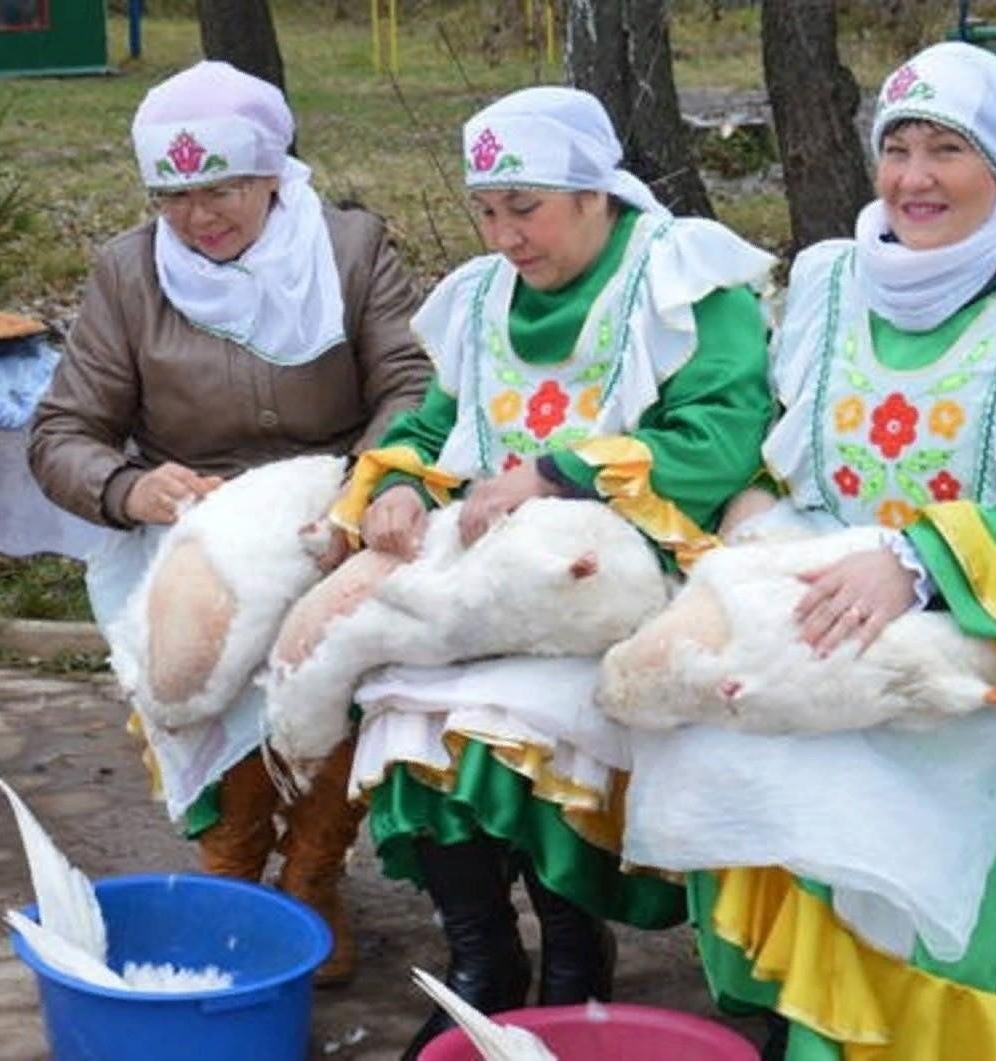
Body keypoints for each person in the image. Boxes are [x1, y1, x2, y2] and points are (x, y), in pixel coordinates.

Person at [622, 42, 996, 1059]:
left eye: (946, 148)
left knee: (972, 853)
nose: (911, 177)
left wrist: (915, 563)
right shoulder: (826, 283)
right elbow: (789, 452)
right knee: (726, 735)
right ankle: (813, 1020)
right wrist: (753, 513)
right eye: (895, 147)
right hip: (828, 614)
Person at [325, 86, 776, 1056]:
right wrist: (396, 485)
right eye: (484, 209)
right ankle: (482, 957)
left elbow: (722, 437)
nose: (502, 236)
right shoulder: (482, 298)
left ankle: (574, 952)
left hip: (619, 577)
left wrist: (558, 471)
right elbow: (431, 426)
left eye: (522, 208)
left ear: (592, 193)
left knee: (509, 722)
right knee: (404, 704)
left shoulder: (679, 282)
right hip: (484, 587)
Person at [27, 60, 429, 985]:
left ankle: (313, 875)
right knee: (197, 660)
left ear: (272, 178)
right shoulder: (129, 274)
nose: (198, 217)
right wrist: (134, 489)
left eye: (221, 191)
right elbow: (64, 431)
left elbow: (411, 384)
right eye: (173, 197)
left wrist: (361, 491)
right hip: (191, 521)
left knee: (337, 649)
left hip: (337, 508)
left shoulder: (351, 249)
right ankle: (233, 864)